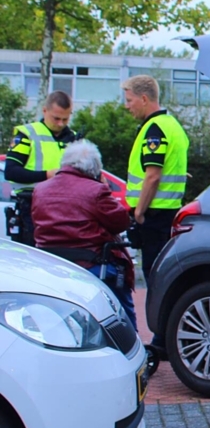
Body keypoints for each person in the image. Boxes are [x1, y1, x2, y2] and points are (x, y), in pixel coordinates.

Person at [31, 140, 137, 329]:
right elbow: (121, 221)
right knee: (122, 300)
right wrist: (105, 187)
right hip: (91, 264)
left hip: (50, 265)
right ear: (95, 170)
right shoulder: (96, 191)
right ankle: (131, 339)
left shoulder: (40, 190)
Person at [121, 75, 189, 355]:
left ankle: (161, 341)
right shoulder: (173, 126)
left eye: (129, 100)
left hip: (154, 216)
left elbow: (152, 176)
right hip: (167, 213)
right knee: (162, 276)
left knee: (154, 277)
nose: (127, 106)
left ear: (145, 98)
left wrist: (138, 212)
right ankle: (167, 338)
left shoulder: (154, 129)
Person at [4, 91, 77, 245]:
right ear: (45, 111)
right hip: (32, 207)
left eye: (65, 118)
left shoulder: (75, 138)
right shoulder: (27, 134)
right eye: (56, 118)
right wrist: (46, 175)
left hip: (67, 208)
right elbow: (11, 171)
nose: (61, 123)